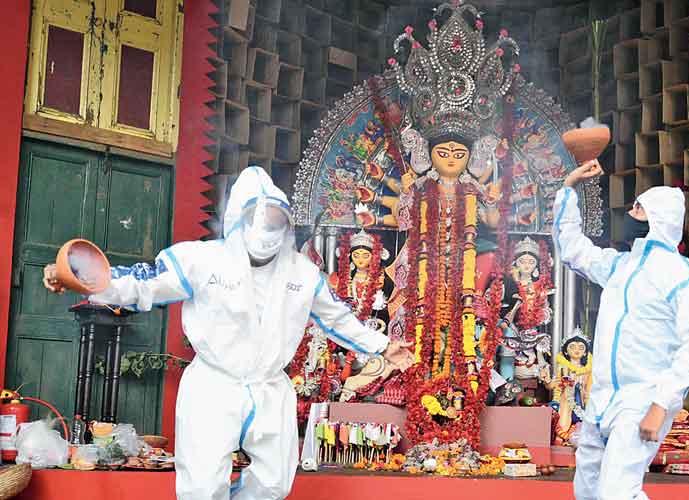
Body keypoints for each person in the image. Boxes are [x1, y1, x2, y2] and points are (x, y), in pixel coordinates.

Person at [42, 167, 414, 500]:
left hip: (270, 388)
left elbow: (338, 319)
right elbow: (145, 284)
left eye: (275, 221)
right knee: (202, 487)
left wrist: (381, 345)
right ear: (239, 217)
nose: (266, 230)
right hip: (213, 385)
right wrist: (82, 280)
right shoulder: (202, 260)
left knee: (273, 485)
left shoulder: (303, 274)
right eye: (258, 218)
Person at [553, 159, 689, 500]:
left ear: (658, 220)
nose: (629, 214)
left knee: (617, 493)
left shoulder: (680, 273)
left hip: (643, 400)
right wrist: (569, 189)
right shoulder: (620, 266)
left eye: (638, 209)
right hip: (601, 401)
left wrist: (661, 405)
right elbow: (573, 249)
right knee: (587, 491)